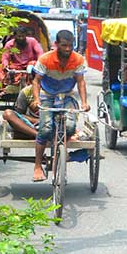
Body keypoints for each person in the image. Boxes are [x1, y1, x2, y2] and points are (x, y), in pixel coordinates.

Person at [31, 30, 89, 182]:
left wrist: (84, 102)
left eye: (70, 46)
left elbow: (81, 82)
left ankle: (62, 154)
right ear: (56, 45)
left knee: (69, 127)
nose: (68, 49)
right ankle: (38, 166)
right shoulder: (45, 59)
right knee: (45, 128)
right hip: (47, 95)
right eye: (64, 45)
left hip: (66, 96)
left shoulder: (78, 59)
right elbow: (36, 81)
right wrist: (37, 100)